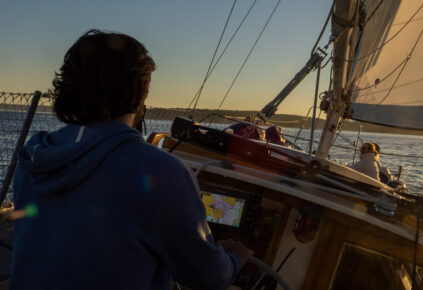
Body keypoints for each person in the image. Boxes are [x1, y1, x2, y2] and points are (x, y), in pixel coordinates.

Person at [10, 30, 251, 290]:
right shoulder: (160, 172)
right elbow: (207, 277)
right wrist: (235, 259)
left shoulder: (33, 156)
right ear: (141, 94)